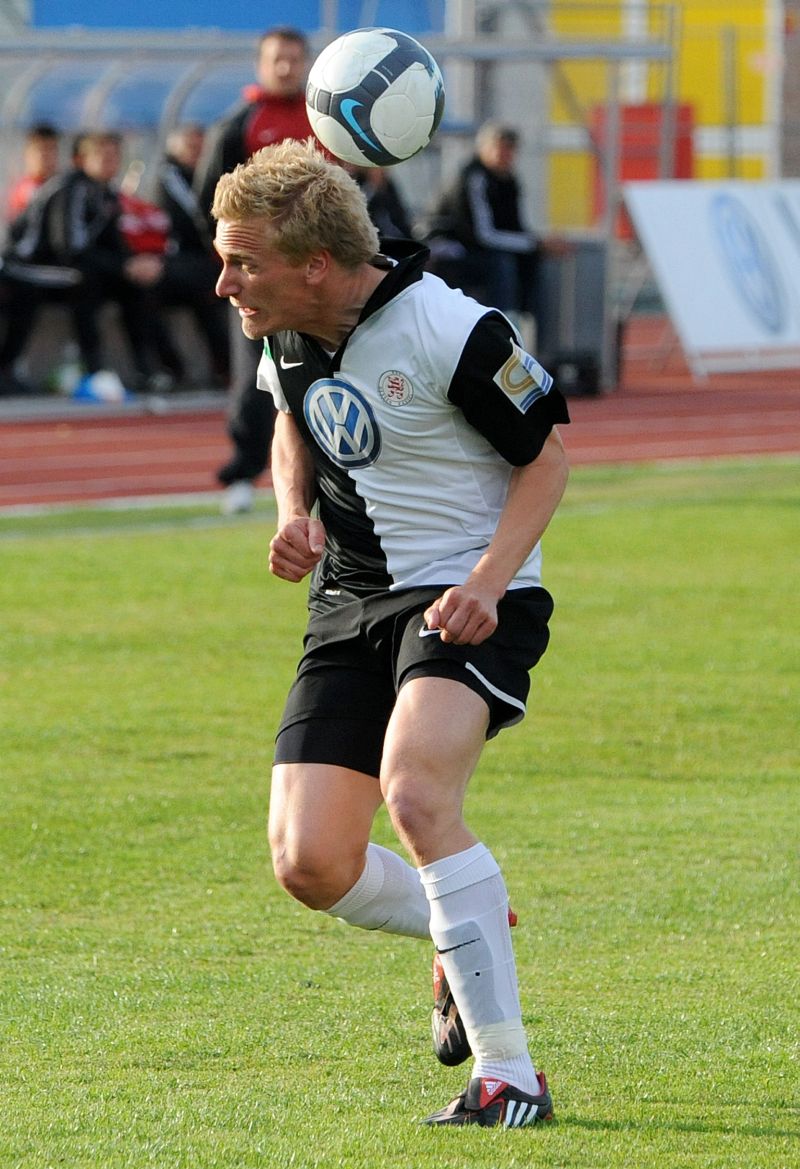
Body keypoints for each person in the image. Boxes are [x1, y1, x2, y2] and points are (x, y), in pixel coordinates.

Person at [211, 138, 570, 1128]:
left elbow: (546, 461)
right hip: (349, 601)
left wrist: (487, 583)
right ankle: (468, 921)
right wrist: (295, 511)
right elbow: (291, 418)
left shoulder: (449, 327)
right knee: (309, 861)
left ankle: (508, 1076)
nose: (221, 281)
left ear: (314, 264)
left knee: (414, 791)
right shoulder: (282, 325)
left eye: (240, 261)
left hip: (465, 595)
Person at [194, 25, 313, 514]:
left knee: (332, 375)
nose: (286, 67)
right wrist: (238, 265)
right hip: (260, 280)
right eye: (276, 59)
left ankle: (335, 482)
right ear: (261, 64)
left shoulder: (327, 121)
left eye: (294, 58)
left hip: (319, 274)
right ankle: (244, 473)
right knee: (256, 378)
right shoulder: (239, 125)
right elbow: (210, 202)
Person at [0, 130, 174, 396]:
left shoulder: (107, 194)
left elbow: (113, 244)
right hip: (25, 265)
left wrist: (134, 264)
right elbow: (68, 246)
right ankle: (92, 367)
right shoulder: (71, 187)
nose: (110, 162)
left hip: (61, 266)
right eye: (102, 156)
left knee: (133, 285)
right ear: (83, 160)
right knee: (84, 280)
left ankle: (148, 368)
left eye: (115, 156)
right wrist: (122, 266)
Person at [425, 122, 541, 319]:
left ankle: (525, 323)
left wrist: (535, 246)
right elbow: (483, 235)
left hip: (477, 248)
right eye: (500, 148)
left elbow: (513, 225)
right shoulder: (474, 178)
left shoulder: (508, 181)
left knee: (532, 260)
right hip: (450, 247)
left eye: (510, 149)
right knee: (502, 264)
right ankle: (501, 324)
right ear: (484, 148)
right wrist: (534, 244)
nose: (505, 155)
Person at [152, 124, 230, 386]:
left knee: (211, 291)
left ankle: (223, 366)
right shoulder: (170, 175)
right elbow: (197, 215)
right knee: (207, 287)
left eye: (200, 145)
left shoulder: (202, 172)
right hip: (177, 258)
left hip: (195, 260)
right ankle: (183, 368)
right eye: (191, 144)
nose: (197, 151)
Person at [5, 123, 61, 221]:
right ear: (27, 153)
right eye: (40, 149)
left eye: (51, 149)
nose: (45, 156)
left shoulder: (63, 186)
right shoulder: (23, 192)